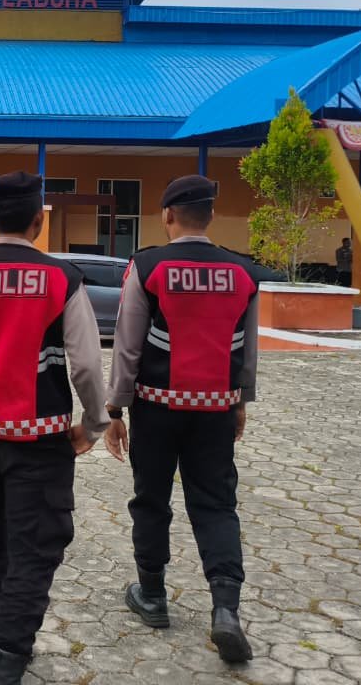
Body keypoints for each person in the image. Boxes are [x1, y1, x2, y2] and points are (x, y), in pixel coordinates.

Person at [0, 171, 109, 685]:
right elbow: (85, 365)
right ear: (38, 221)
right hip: (41, 439)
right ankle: (7, 658)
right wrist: (94, 424)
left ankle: (1, 637)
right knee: (35, 546)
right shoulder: (62, 278)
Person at [105, 174, 278, 664]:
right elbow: (247, 347)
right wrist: (240, 402)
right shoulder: (242, 272)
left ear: (167, 215)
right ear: (211, 215)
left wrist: (114, 409)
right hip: (215, 410)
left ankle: (152, 596)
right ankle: (225, 609)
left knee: (151, 500)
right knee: (217, 506)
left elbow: (127, 346)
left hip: (156, 409)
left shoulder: (147, 267)